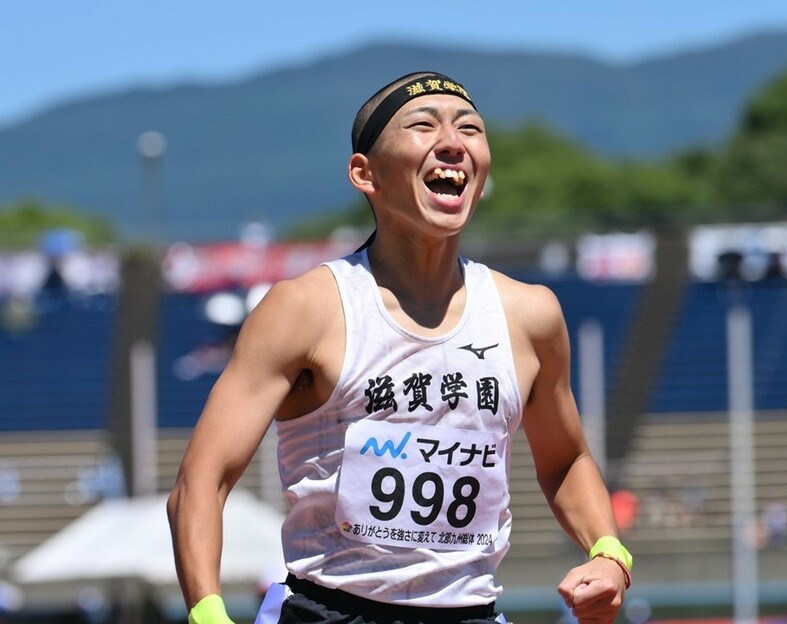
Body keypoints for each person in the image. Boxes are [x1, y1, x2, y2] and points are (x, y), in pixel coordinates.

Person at [167, 70, 632, 624]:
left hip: (473, 612)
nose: (453, 143)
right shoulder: (305, 309)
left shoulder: (529, 315)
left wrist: (609, 552)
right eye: (423, 126)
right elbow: (202, 480)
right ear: (365, 174)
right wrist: (207, 613)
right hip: (330, 611)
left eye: (470, 129)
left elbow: (566, 458)